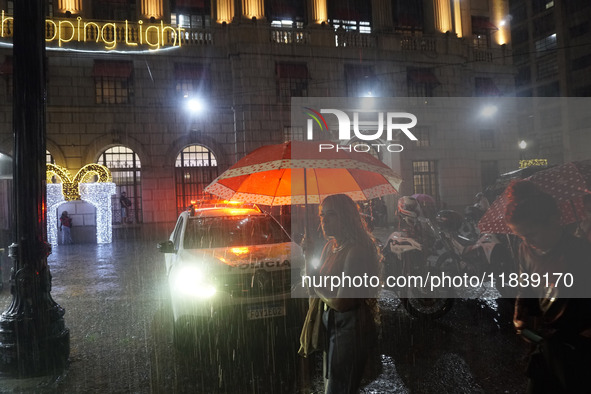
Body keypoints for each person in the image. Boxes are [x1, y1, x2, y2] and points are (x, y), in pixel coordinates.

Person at [505, 180, 591, 393]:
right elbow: (526, 285)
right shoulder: (525, 250)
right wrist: (521, 313)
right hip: (546, 342)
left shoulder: (580, 252)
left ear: (554, 220)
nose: (527, 241)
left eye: (532, 234)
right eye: (520, 236)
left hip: (578, 344)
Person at [304, 194, 381, 393]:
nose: (324, 220)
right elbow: (314, 285)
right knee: (333, 383)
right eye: (322, 215)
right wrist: (307, 255)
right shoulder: (331, 246)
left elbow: (341, 302)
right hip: (332, 326)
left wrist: (315, 286)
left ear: (346, 217)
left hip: (350, 328)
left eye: (331, 214)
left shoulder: (355, 251)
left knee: (340, 387)